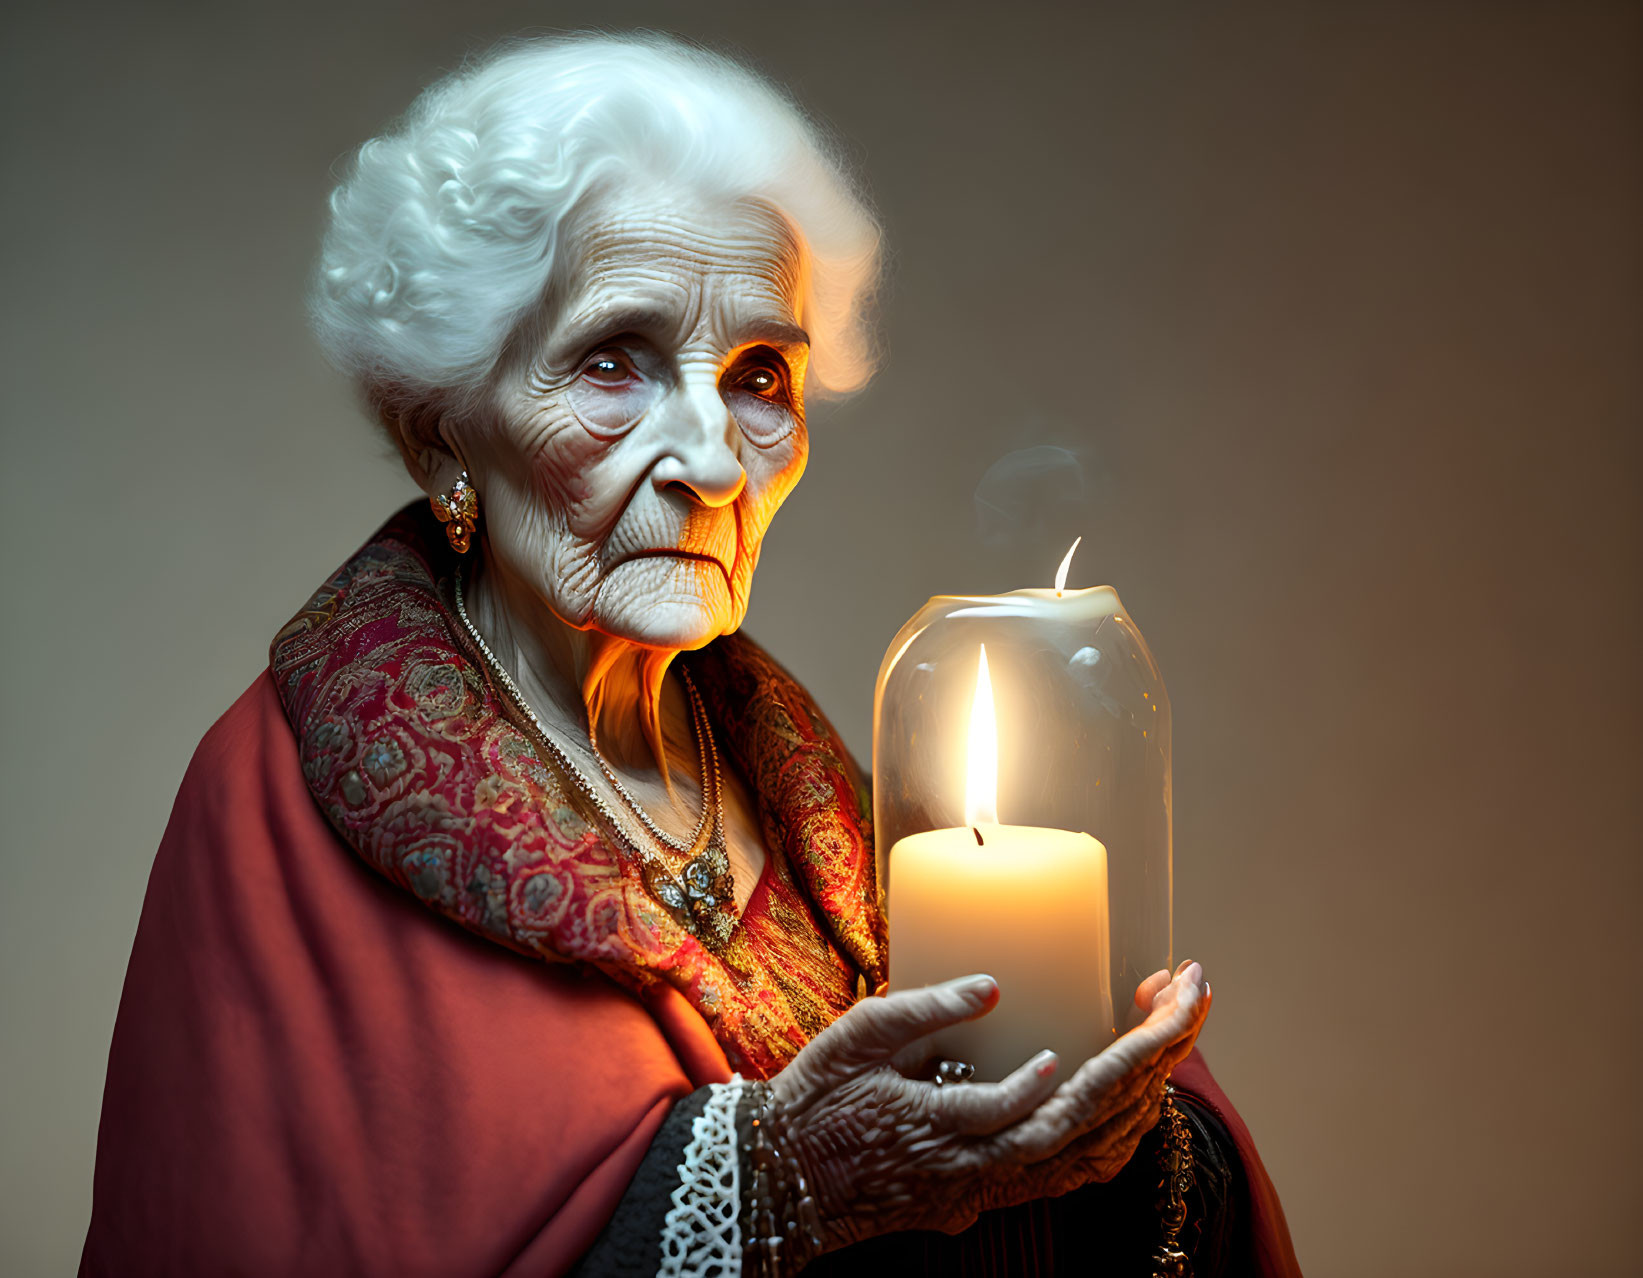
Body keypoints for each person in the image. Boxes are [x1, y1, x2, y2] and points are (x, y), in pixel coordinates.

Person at [81, 32, 1299, 1277]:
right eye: (615, 361)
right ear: (442, 431)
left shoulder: (797, 779)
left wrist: (1117, 1142)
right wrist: (781, 1182)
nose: (714, 461)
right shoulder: (274, 800)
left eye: (759, 375)